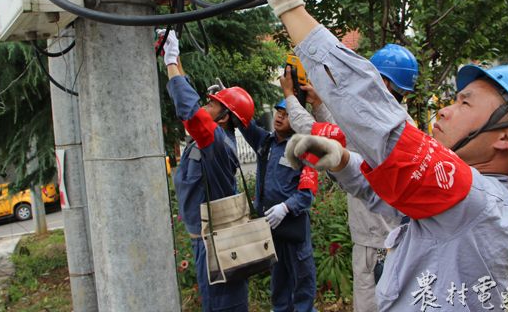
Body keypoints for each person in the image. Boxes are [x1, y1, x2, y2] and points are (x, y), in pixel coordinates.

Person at [258, 0, 508, 311]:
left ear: (507, 136)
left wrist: (291, 5)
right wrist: (342, 162)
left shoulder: (480, 202)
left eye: (465, 103)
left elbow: (380, 121)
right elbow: (390, 195)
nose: (445, 111)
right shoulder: (458, 201)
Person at [280, 48, 419, 312]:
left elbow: (317, 136)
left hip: (377, 243)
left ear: (385, 83)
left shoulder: (379, 127)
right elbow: (344, 134)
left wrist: (290, 96)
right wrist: (319, 105)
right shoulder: (397, 123)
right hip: (389, 238)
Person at [162, 31, 252, 311]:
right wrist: (174, 58)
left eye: (213, 105)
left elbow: (190, 111)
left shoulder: (216, 144)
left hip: (217, 243)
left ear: (225, 118)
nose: (205, 104)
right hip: (206, 241)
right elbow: (193, 112)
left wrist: (169, 62)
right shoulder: (209, 142)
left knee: (223, 306)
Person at [238, 99, 316, 312]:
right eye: (278, 112)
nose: (280, 116)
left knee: (302, 279)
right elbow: (244, 122)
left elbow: (307, 194)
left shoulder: (303, 149)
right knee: (279, 279)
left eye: (287, 113)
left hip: (293, 225)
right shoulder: (266, 142)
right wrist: (227, 98)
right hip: (271, 226)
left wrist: (286, 207)